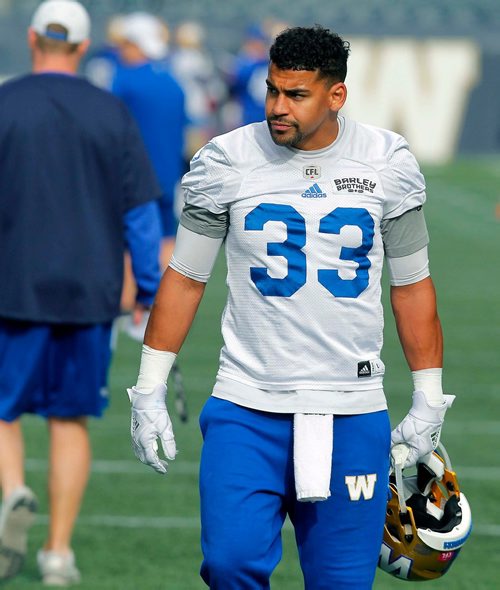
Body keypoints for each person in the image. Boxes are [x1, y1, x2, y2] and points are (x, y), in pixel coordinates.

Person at [128, 25, 454, 589]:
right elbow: (184, 278)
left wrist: (428, 396)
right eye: (273, 91)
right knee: (229, 566)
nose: (279, 107)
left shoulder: (386, 161)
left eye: (296, 95)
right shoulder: (227, 160)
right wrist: (149, 384)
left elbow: (412, 286)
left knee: (341, 582)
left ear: (336, 96)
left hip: (350, 408)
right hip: (247, 403)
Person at [0, 0, 162, 585]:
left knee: (1, 411)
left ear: (32, 37)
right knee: (70, 421)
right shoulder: (111, 111)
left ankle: (14, 489)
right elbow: (142, 213)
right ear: (84, 46)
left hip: (12, 283)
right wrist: (148, 287)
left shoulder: (4, 103)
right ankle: (58, 553)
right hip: (91, 289)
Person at [112, 11, 188, 274]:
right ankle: (161, 308)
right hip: (168, 177)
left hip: (132, 179)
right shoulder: (174, 83)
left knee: (127, 245)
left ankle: (133, 310)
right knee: (167, 238)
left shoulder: (125, 81)